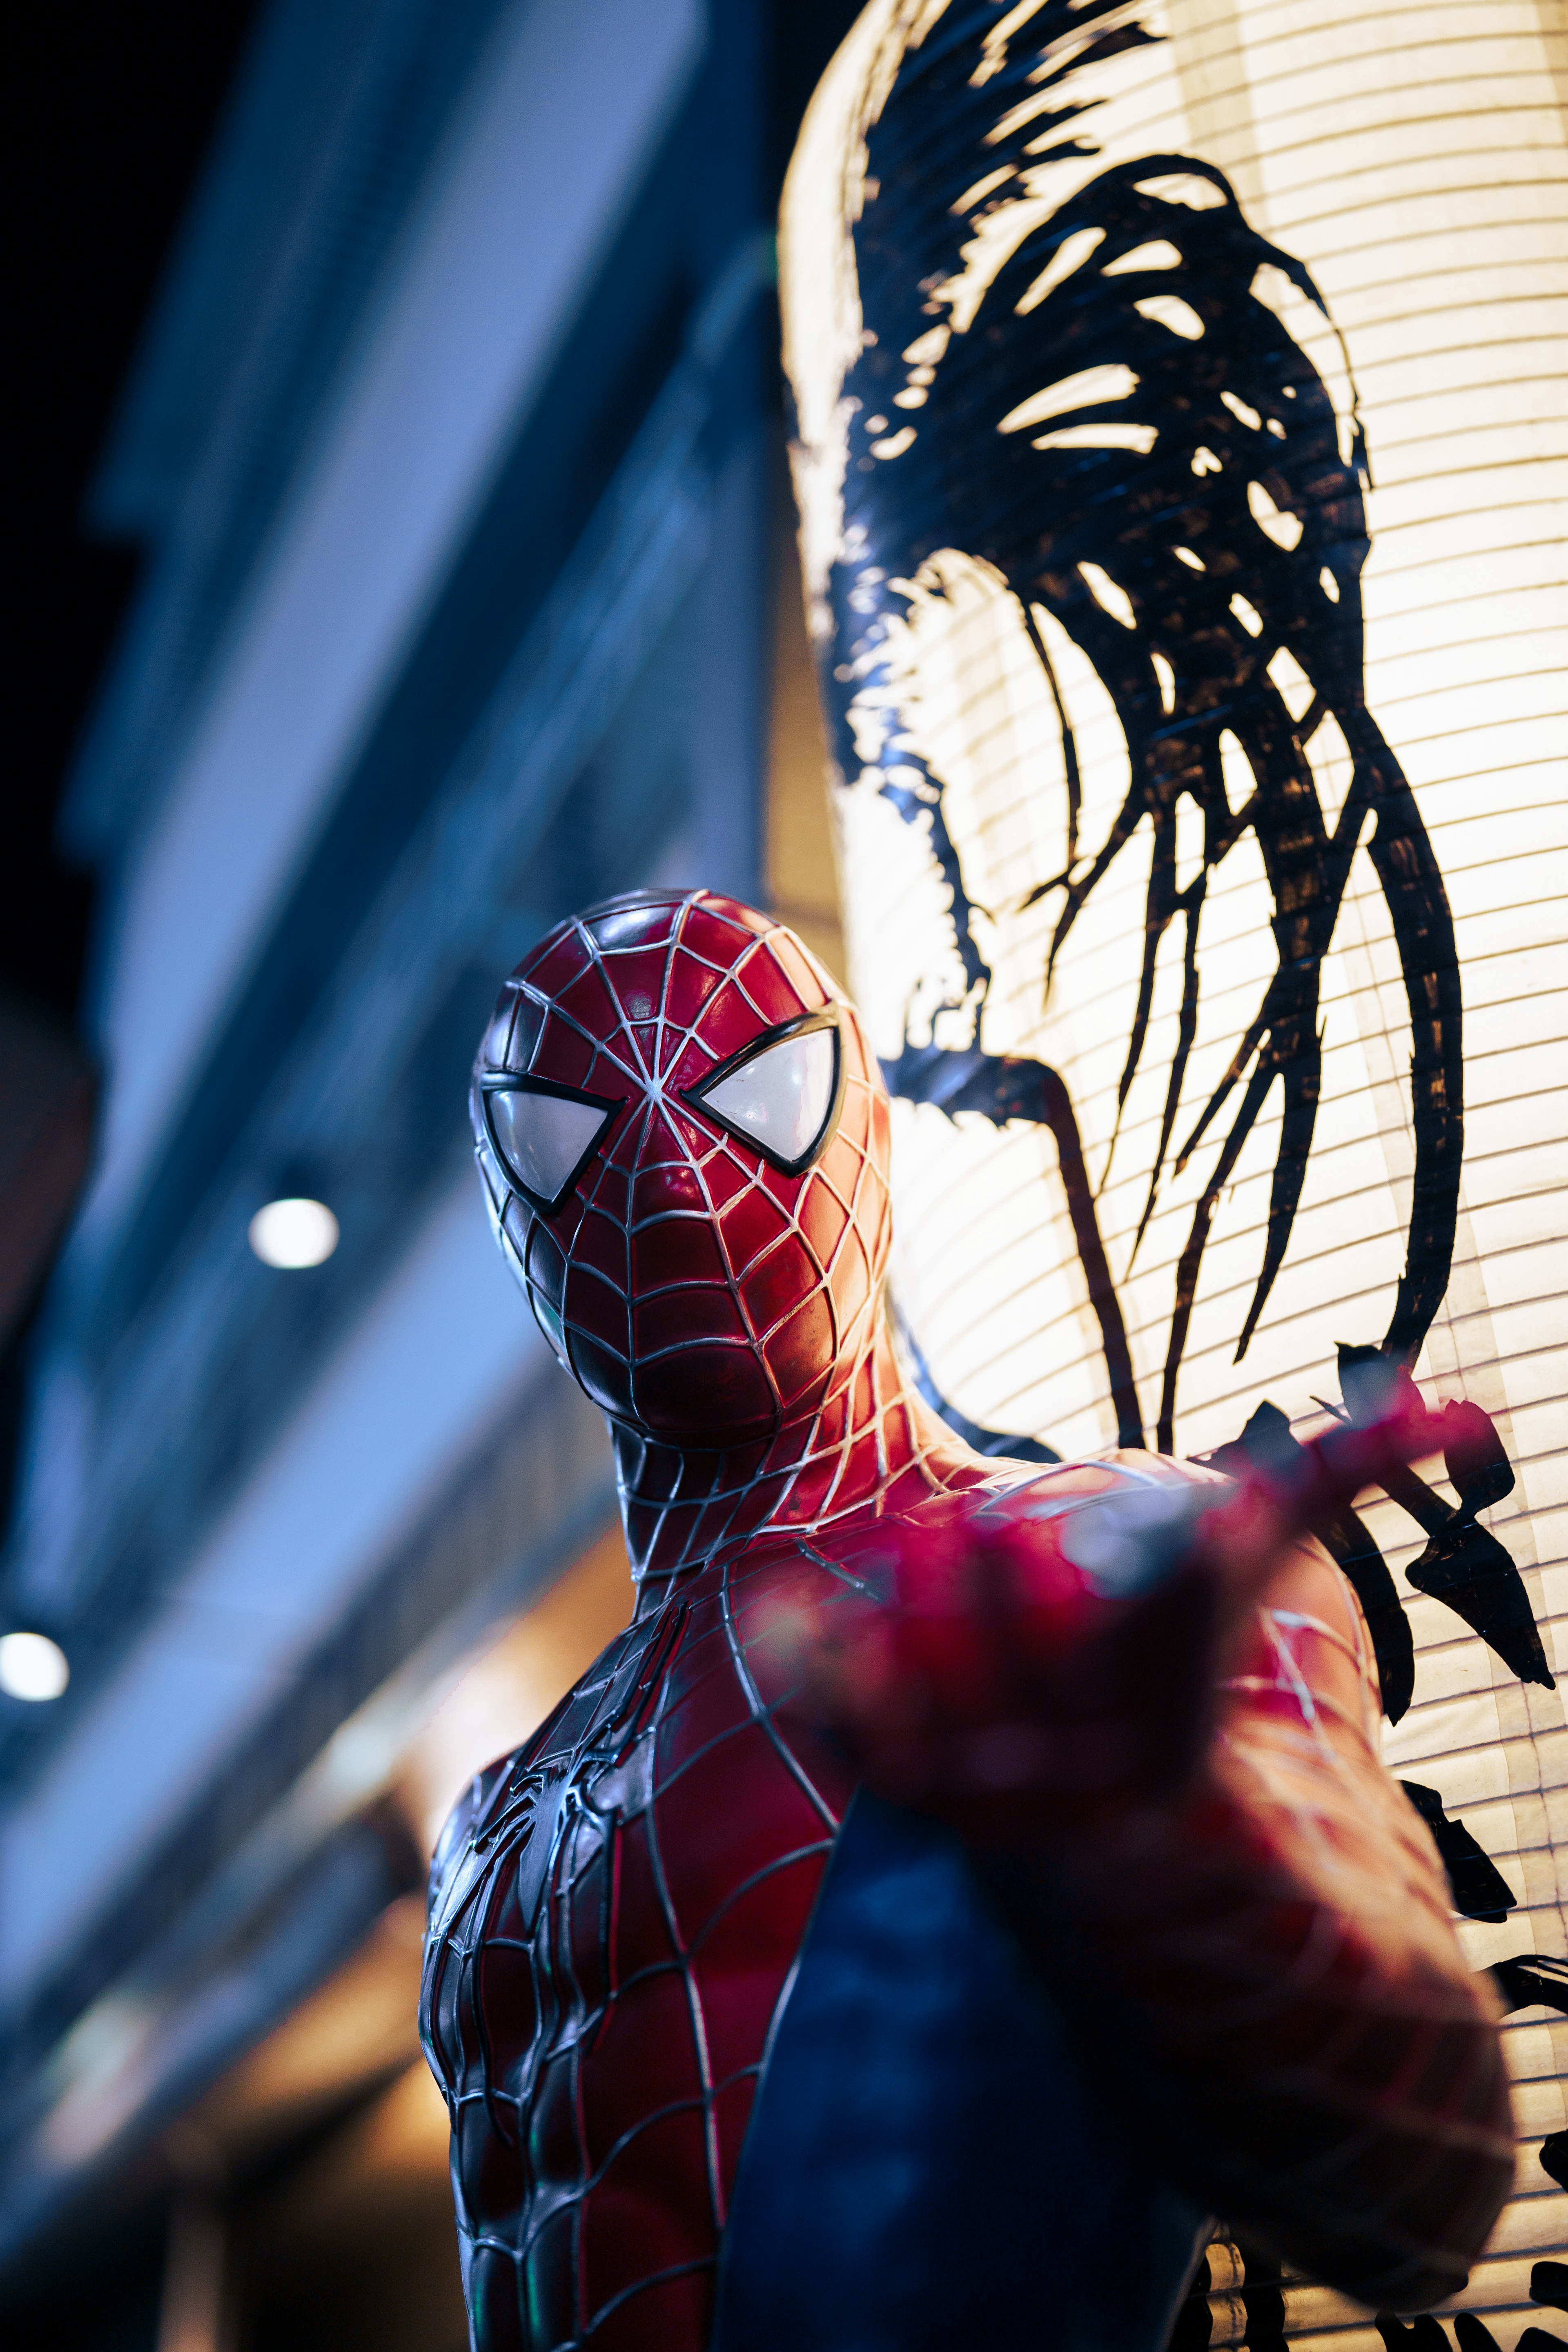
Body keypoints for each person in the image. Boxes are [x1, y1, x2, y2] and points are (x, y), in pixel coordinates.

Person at [419, 888, 1511, 2352]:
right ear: (511, 1217)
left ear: (867, 1125)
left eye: (758, 1093)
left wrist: (1164, 1842)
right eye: (573, 1131)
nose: (677, 1170)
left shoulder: (1090, 1564)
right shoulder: (492, 1820)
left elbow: (1423, 2200)